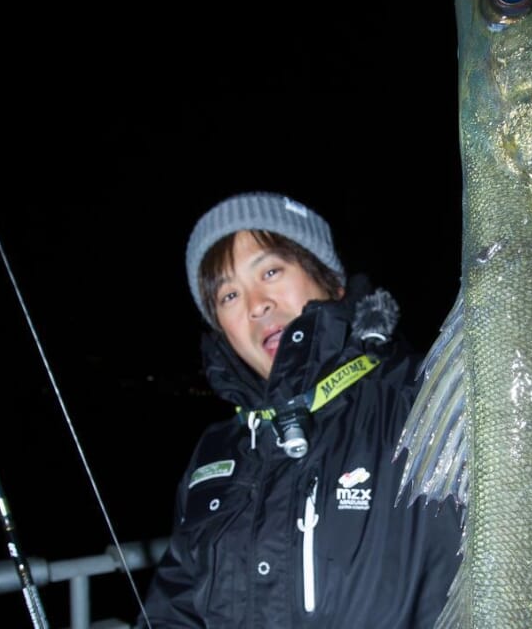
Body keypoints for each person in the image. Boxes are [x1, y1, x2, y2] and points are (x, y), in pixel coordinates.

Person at [137, 191, 463, 628]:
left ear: (331, 279)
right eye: (228, 296)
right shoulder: (215, 452)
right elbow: (175, 608)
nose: (256, 305)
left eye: (271, 271)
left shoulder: (424, 400)